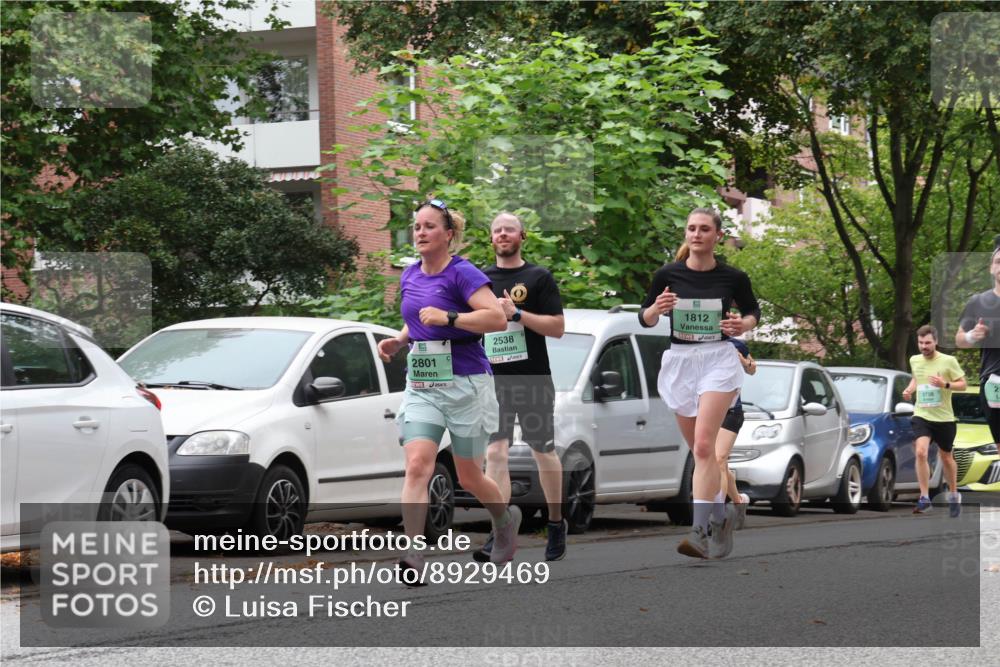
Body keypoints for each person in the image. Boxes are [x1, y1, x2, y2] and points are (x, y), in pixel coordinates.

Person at [376, 199, 520, 581]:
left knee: (469, 476)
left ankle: (505, 521)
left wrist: (451, 317)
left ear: (448, 234)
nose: (419, 233)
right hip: (422, 384)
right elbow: (419, 318)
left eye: (428, 227)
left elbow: (495, 319)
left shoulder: (463, 273)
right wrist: (400, 340)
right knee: (417, 464)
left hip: (466, 385)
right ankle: (413, 554)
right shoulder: (410, 274)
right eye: (416, 226)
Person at [639, 207, 761, 559]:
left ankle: (699, 530)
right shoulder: (668, 273)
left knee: (706, 447)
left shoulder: (733, 277)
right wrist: (656, 309)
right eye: (691, 228)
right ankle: (720, 516)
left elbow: (753, 311)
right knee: (700, 452)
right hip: (680, 360)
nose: (696, 234)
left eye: (704, 229)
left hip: (718, 359)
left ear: (717, 236)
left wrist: (743, 325)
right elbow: (645, 317)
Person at [474, 212, 567, 563]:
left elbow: (557, 327)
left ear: (521, 235)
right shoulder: (480, 279)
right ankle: (500, 533)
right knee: (495, 453)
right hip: (492, 379)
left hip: (533, 378)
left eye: (508, 229)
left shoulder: (538, 277)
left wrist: (516, 315)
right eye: (497, 230)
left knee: (542, 451)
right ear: (491, 237)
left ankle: (556, 523)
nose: (502, 234)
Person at [902, 325, 967, 517]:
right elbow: (917, 378)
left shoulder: (949, 361)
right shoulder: (914, 359)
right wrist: (909, 389)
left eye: (928, 343)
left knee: (946, 457)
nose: (924, 346)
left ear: (936, 342)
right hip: (923, 414)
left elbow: (963, 385)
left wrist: (944, 384)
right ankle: (924, 497)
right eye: (921, 343)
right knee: (921, 452)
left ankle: (954, 494)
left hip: (944, 417)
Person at [955, 234, 1000, 444]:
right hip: (994, 383)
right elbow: (959, 340)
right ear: (991, 268)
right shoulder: (978, 301)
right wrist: (973, 335)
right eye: (998, 261)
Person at [716, 336, 756, 531]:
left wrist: (743, 361)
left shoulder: (736, 344)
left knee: (719, 459)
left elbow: (752, 369)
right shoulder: (700, 345)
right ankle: (739, 501)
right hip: (708, 412)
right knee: (722, 465)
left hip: (732, 412)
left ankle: (718, 514)